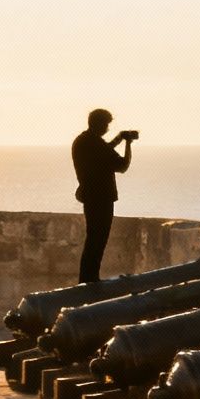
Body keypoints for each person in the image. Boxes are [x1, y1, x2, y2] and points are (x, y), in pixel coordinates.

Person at [72, 109, 137, 283]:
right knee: (98, 241)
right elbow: (122, 165)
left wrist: (119, 138)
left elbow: (103, 152)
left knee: (93, 239)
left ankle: (86, 279)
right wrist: (128, 144)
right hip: (102, 198)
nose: (107, 128)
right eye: (106, 125)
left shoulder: (82, 141)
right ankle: (90, 279)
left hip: (90, 196)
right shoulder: (95, 144)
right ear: (100, 124)